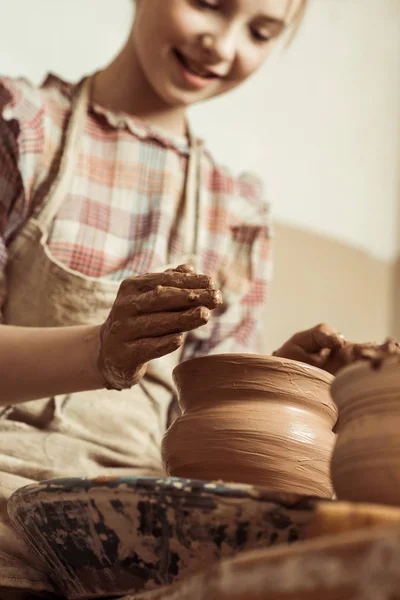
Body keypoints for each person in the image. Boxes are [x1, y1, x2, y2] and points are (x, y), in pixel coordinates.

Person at [0, 0, 354, 597]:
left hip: (142, 536)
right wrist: (97, 351)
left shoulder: (234, 212)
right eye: (209, 4)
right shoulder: (25, 128)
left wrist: (275, 388)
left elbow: (203, 445)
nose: (223, 43)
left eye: (261, 32)